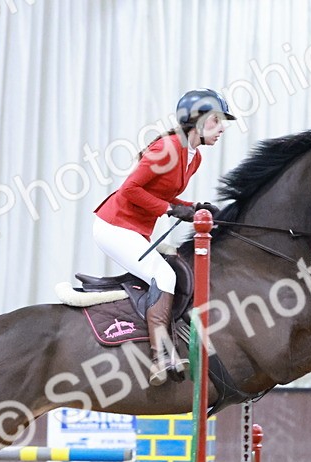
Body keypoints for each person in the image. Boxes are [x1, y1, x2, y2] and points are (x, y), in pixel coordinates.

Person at [93, 88, 235, 385]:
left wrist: (193, 207)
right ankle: (160, 358)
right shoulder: (168, 148)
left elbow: (162, 193)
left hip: (134, 230)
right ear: (196, 121)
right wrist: (171, 210)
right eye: (216, 120)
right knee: (164, 276)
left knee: (170, 273)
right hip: (114, 225)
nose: (222, 128)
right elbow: (130, 189)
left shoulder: (194, 158)